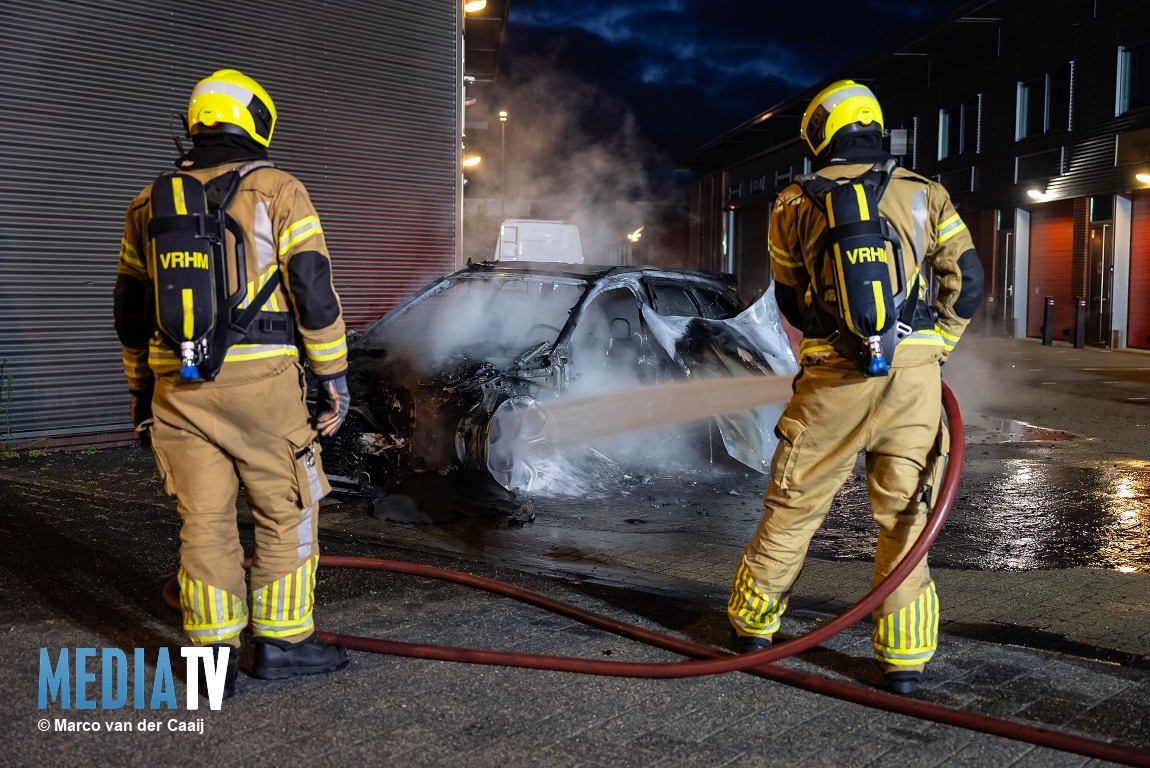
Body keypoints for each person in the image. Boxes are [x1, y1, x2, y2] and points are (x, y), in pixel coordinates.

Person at [727, 80, 984, 695]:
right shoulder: (928, 195)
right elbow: (967, 281)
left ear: (820, 132)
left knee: (795, 504)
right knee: (905, 514)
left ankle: (753, 627)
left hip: (831, 381)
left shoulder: (792, 203)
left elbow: (789, 299)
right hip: (914, 383)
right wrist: (934, 348)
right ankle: (904, 660)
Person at [114, 69, 352, 697]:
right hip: (261, 384)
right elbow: (313, 288)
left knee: (205, 522)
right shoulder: (277, 188)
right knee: (286, 511)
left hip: (175, 385)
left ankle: (209, 666)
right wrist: (333, 377)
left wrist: (142, 391)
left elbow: (129, 309)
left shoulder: (148, 202)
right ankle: (283, 645)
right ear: (255, 121)